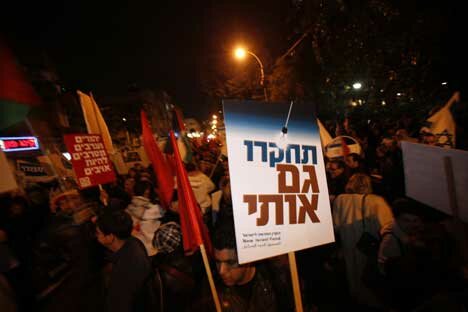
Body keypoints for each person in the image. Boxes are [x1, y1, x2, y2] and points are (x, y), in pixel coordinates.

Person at [193, 222, 293, 312]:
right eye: (218, 262)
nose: (221, 271)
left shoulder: (275, 281)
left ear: (248, 258)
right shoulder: (210, 286)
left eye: (230, 262)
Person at [332, 173, 394, 308]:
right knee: (372, 281)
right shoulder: (377, 201)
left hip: (349, 247)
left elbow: (335, 226)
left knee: (354, 279)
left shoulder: (340, 200)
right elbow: (389, 226)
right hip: (371, 247)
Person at [95, 211, 153, 312]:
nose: (96, 236)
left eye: (98, 233)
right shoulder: (134, 241)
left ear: (110, 237)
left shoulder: (124, 269)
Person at [126, 180, 164, 256]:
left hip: (139, 247)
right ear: (146, 191)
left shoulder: (129, 208)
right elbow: (163, 211)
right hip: (153, 246)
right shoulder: (153, 209)